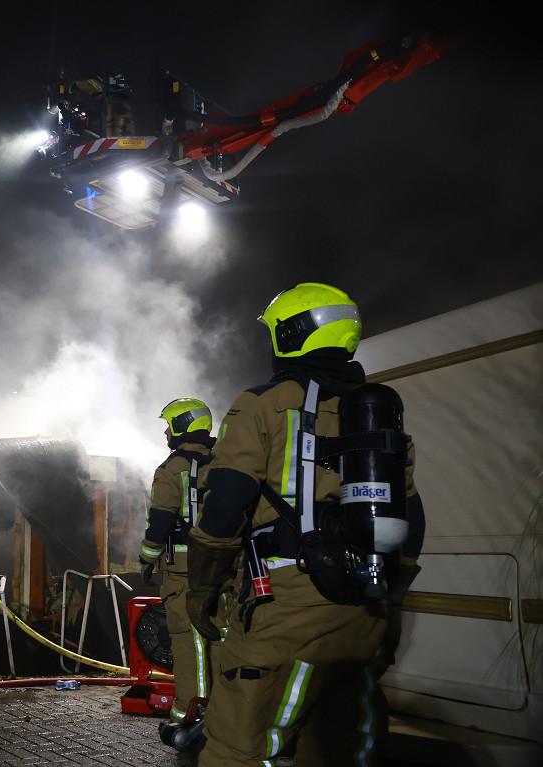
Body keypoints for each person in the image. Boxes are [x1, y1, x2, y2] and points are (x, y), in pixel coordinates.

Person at [186, 283, 425, 766]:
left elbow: (225, 505)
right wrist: (391, 602)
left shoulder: (263, 404)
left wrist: (203, 587)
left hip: (287, 606)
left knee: (237, 748)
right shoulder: (379, 417)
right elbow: (413, 520)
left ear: (291, 335)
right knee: (340, 749)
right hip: (366, 610)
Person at [138, 398, 219, 726]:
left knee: (189, 641)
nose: (166, 433)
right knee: (222, 636)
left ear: (183, 426)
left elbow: (159, 522)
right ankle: (227, 714)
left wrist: (147, 558)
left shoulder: (172, 469)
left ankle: (191, 715)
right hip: (226, 568)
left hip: (185, 572)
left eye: (169, 425)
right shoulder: (226, 462)